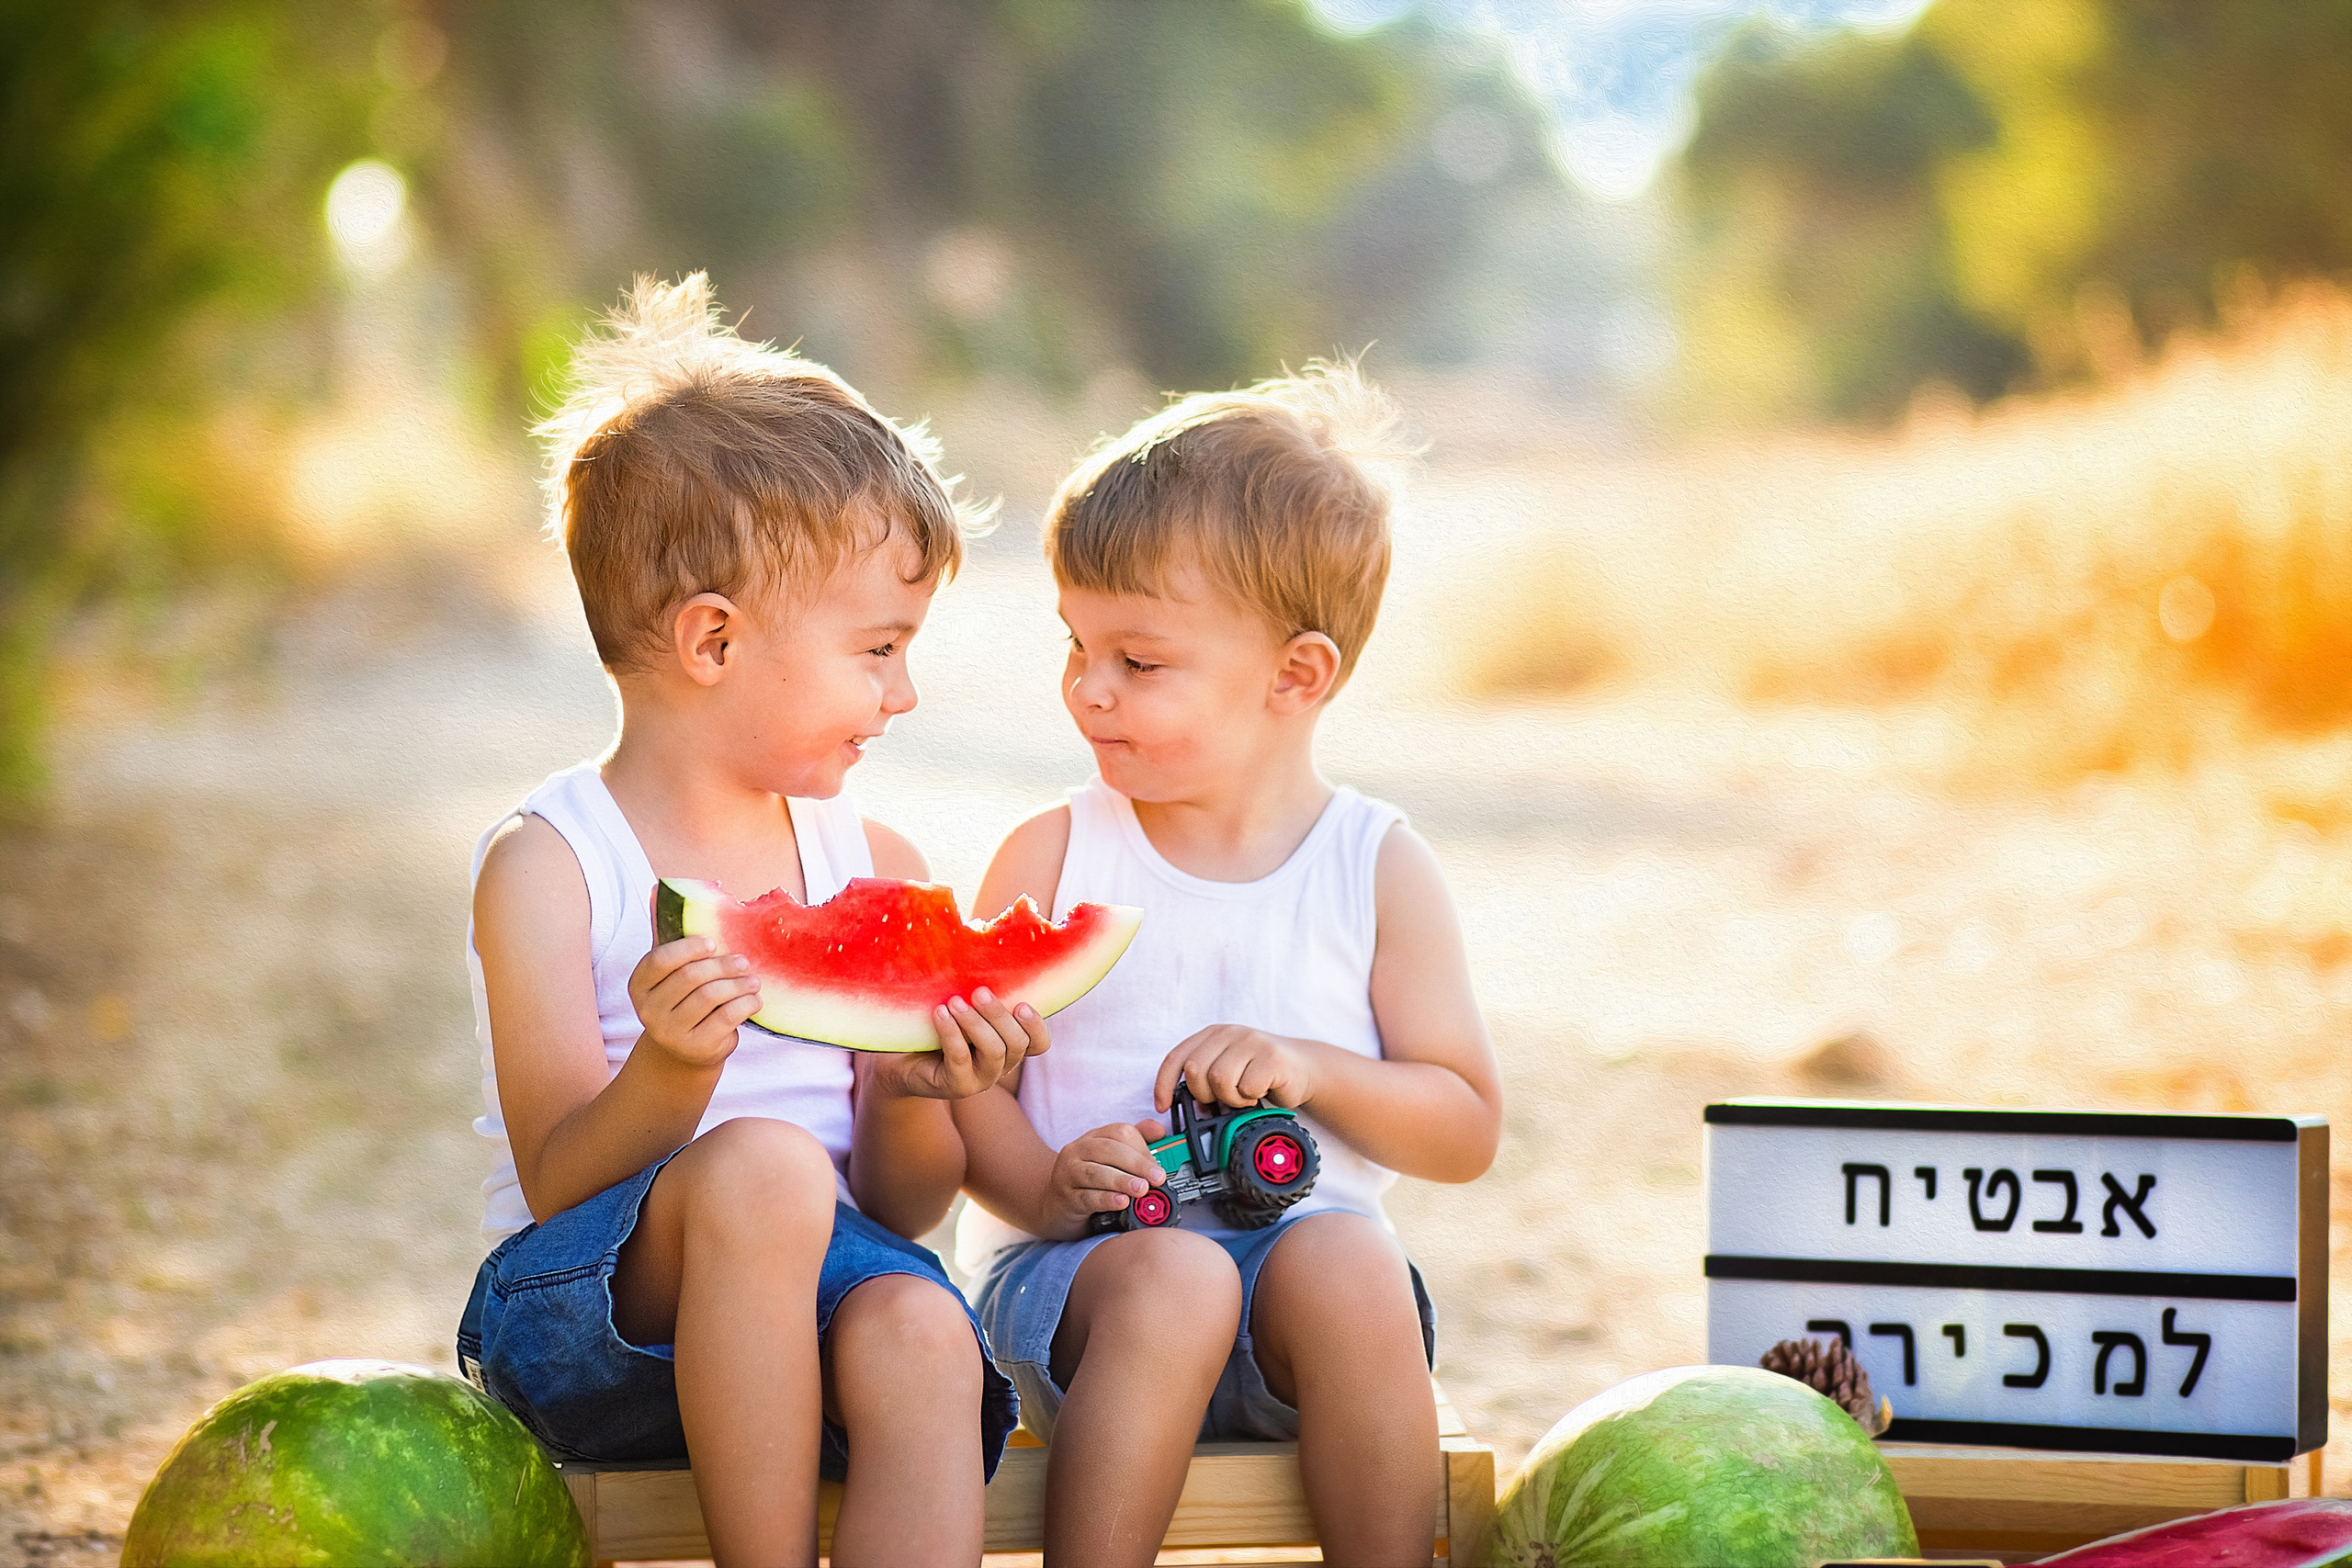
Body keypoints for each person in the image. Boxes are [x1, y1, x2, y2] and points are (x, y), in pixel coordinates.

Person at [457, 275, 1034, 1568]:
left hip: (825, 1310)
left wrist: (915, 1094)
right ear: (713, 641)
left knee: (927, 1331)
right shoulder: (552, 866)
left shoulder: (871, 863)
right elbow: (559, 1180)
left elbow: (904, 1205)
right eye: (876, 649)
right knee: (768, 1165)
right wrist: (673, 1068)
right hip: (589, 1323)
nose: (906, 692)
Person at [952, 361, 1504, 1567]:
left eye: (1138, 662)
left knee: (1354, 1253)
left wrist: (1316, 1067)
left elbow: (1463, 1127)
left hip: (1305, 1327)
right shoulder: (1051, 853)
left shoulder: (1375, 864)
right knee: (1178, 1282)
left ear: (1296, 677)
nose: (1087, 690)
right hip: (1079, 1298)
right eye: (1075, 645)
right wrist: (1048, 1185)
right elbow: (962, 1092)